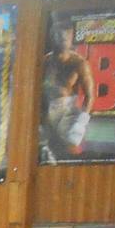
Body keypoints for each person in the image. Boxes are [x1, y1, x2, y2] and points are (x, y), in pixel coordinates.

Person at [40, 21, 94, 161]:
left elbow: (90, 96)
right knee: (48, 153)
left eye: (66, 37)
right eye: (59, 36)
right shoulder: (45, 61)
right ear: (53, 37)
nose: (63, 40)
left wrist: (81, 121)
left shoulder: (79, 63)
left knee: (70, 150)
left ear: (71, 38)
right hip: (46, 111)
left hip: (67, 111)